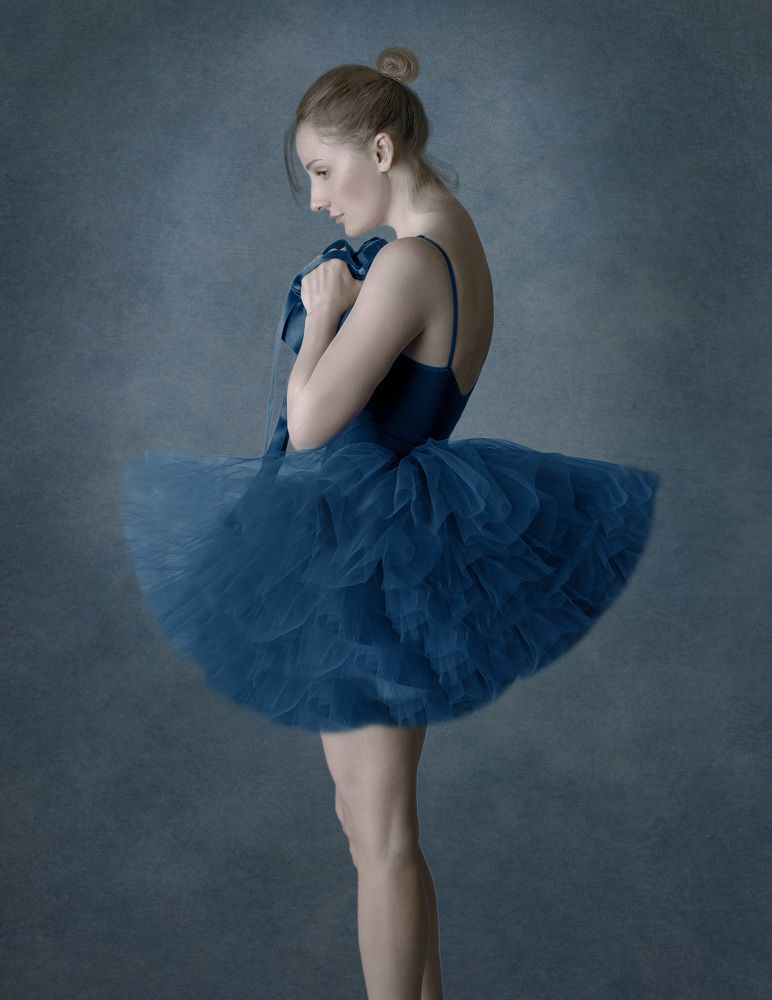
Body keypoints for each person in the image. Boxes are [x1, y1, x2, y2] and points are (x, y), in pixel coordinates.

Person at [121, 46, 661, 1000]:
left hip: (370, 550)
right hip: (376, 537)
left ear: (379, 149)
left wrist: (325, 314)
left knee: (381, 837)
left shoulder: (411, 259)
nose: (318, 200)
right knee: (370, 826)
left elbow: (311, 421)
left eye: (324, 172)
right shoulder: (450, 235)